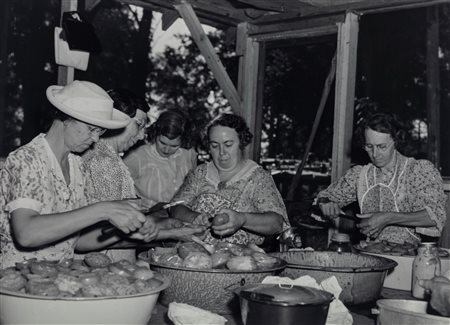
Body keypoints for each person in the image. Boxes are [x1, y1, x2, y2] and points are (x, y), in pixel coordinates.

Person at [0, 80, 156, 268]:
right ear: (65, 119)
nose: (96, 138)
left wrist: (122, 233)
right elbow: (26, 233)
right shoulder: (27, 159)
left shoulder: (77, 165)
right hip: (20, 279)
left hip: (61, 279)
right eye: (92, 129)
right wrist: (103, 209)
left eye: (101, 131)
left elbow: (78, 241)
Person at [316, 112, 446, 244]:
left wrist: (388, 218)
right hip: (369, 253)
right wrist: (326, 204)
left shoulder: (417, 171)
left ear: (396, 141)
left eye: (382, 147)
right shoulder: (360, 175)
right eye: (369, 146)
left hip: (410, 256)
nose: (375, 154)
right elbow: (325, 197)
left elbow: (433, 216)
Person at [170, 113, 290, 245]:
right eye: (215, 146)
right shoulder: (199, 173)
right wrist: (194, 217)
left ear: (241, 142)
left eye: (228, 144)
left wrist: (243, 219)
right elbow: (175, 207)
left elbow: (276, 223)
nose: (222, 152)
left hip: (241, 259)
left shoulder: (258, 177)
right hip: (194, 255)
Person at [124, 109, 197, 209]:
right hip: (148, 217)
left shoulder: (189, 154)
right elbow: (120, 194)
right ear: (156, 133)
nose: (166, 150)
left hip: (182, 214)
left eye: (174, 146)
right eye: (162, 143)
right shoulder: (137, 157)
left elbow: (193, 186)